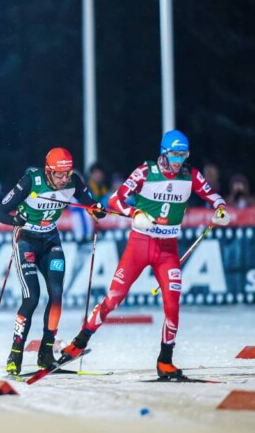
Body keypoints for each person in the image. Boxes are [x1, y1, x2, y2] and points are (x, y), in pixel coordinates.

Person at [61, 130, 230, 379]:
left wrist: (221, 208)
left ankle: (165, 360)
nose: (178, 161)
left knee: (173, 305)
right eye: (174, 154)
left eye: (183, 155)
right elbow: (115, 201)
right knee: (114, 297)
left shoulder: (190, 174)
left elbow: (213, 195)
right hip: (140, 244)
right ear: (163, 152)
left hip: (167, 249)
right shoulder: (144, 172)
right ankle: (79, 342)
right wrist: (135, 214)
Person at [0, 148, 104, 376]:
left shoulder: (73, 182)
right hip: (26, 241)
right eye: (59, 175)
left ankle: (46, 352)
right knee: (31, 298)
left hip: (51, 240)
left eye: (67, 173)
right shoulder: (30, 182)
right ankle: (15, 355)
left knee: (56, 294)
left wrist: (97, 210)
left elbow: (89, 202)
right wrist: (16, 218)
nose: (64, 179)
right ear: (48, 171)